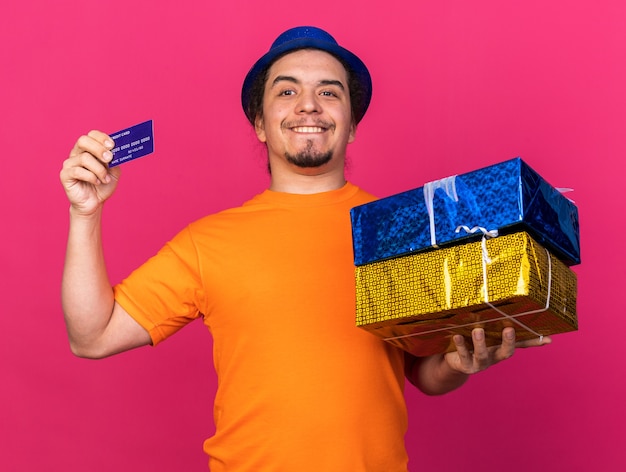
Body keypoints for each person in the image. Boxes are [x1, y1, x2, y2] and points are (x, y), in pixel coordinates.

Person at [59, 26, 551, 471]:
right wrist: (86, 214)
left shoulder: (404, 230)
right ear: (260, 123)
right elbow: (92, 336)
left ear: (352, 124)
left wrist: (456, 364)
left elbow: (423, 370)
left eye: (328, 92)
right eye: (287, 90)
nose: (308, 106)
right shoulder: (207, 241)